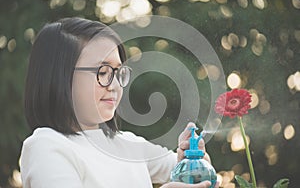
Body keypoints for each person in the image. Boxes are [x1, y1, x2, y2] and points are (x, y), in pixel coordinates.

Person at [20, 17, 218, 188]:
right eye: (103, 72)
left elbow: (185, 170)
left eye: (118, 72)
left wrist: (190, 160)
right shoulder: (46, 146)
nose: (114, 85)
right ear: (59, 77)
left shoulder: (129, 144)